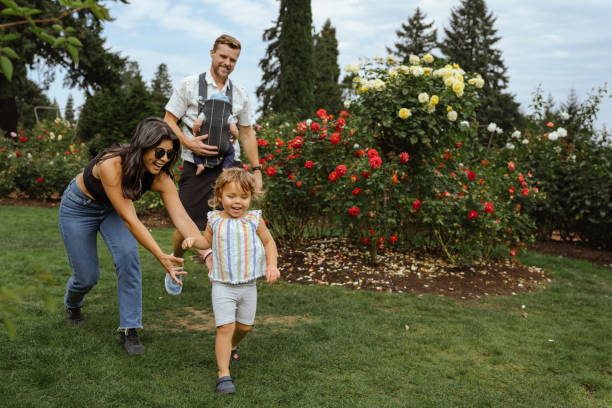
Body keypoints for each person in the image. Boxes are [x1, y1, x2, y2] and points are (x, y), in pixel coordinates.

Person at [59, 117, 203, 355]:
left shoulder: (160, 176)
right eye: (159, 152)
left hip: (113, 210)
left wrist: (206, 253)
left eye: (169, 154)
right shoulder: (111, 164)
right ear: (143, 145)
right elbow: (130, 219)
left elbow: (182, 219)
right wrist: (160, 255)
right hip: (79, 207)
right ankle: (72, 304)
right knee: (87, 276)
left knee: (129, 259)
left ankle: (129, 329)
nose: (164, 159)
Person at [164, 34, 263, 276]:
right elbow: (169, 120)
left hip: (229, 167)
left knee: (233, 219)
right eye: (223, 56)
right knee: (185, 224)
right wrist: (188, 142)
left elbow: (247, 133)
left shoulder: (240, 94)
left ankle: (227, 275)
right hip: (195, 164)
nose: (227, 62)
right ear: (212, 53)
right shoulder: (188, 85)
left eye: (233, 59)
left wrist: (257, 169)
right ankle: (177, 256)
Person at [182, 168, 280, 394]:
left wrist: (271, 265)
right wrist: (192, 240)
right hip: (222, 285)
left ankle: (234, 345)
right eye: (231, 196)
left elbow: (269, 243)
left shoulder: (254, 220)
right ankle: (223, 375)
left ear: (251, 198)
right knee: (225, 327)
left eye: (244, 197)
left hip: (248, 285)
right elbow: (205, 242)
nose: (238, 202)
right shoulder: (214, 220)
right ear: (219, 197)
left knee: (244, 327)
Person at [192, 93, 240, 176]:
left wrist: (195, 132)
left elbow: (197, 123)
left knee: (194, 149)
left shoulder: (205, 112)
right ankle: (225, 167)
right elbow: (233, 130)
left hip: (205, 142)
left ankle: (199, 165)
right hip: (223, 144)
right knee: (231, 153)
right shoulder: (228, 115)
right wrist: (235, 138)